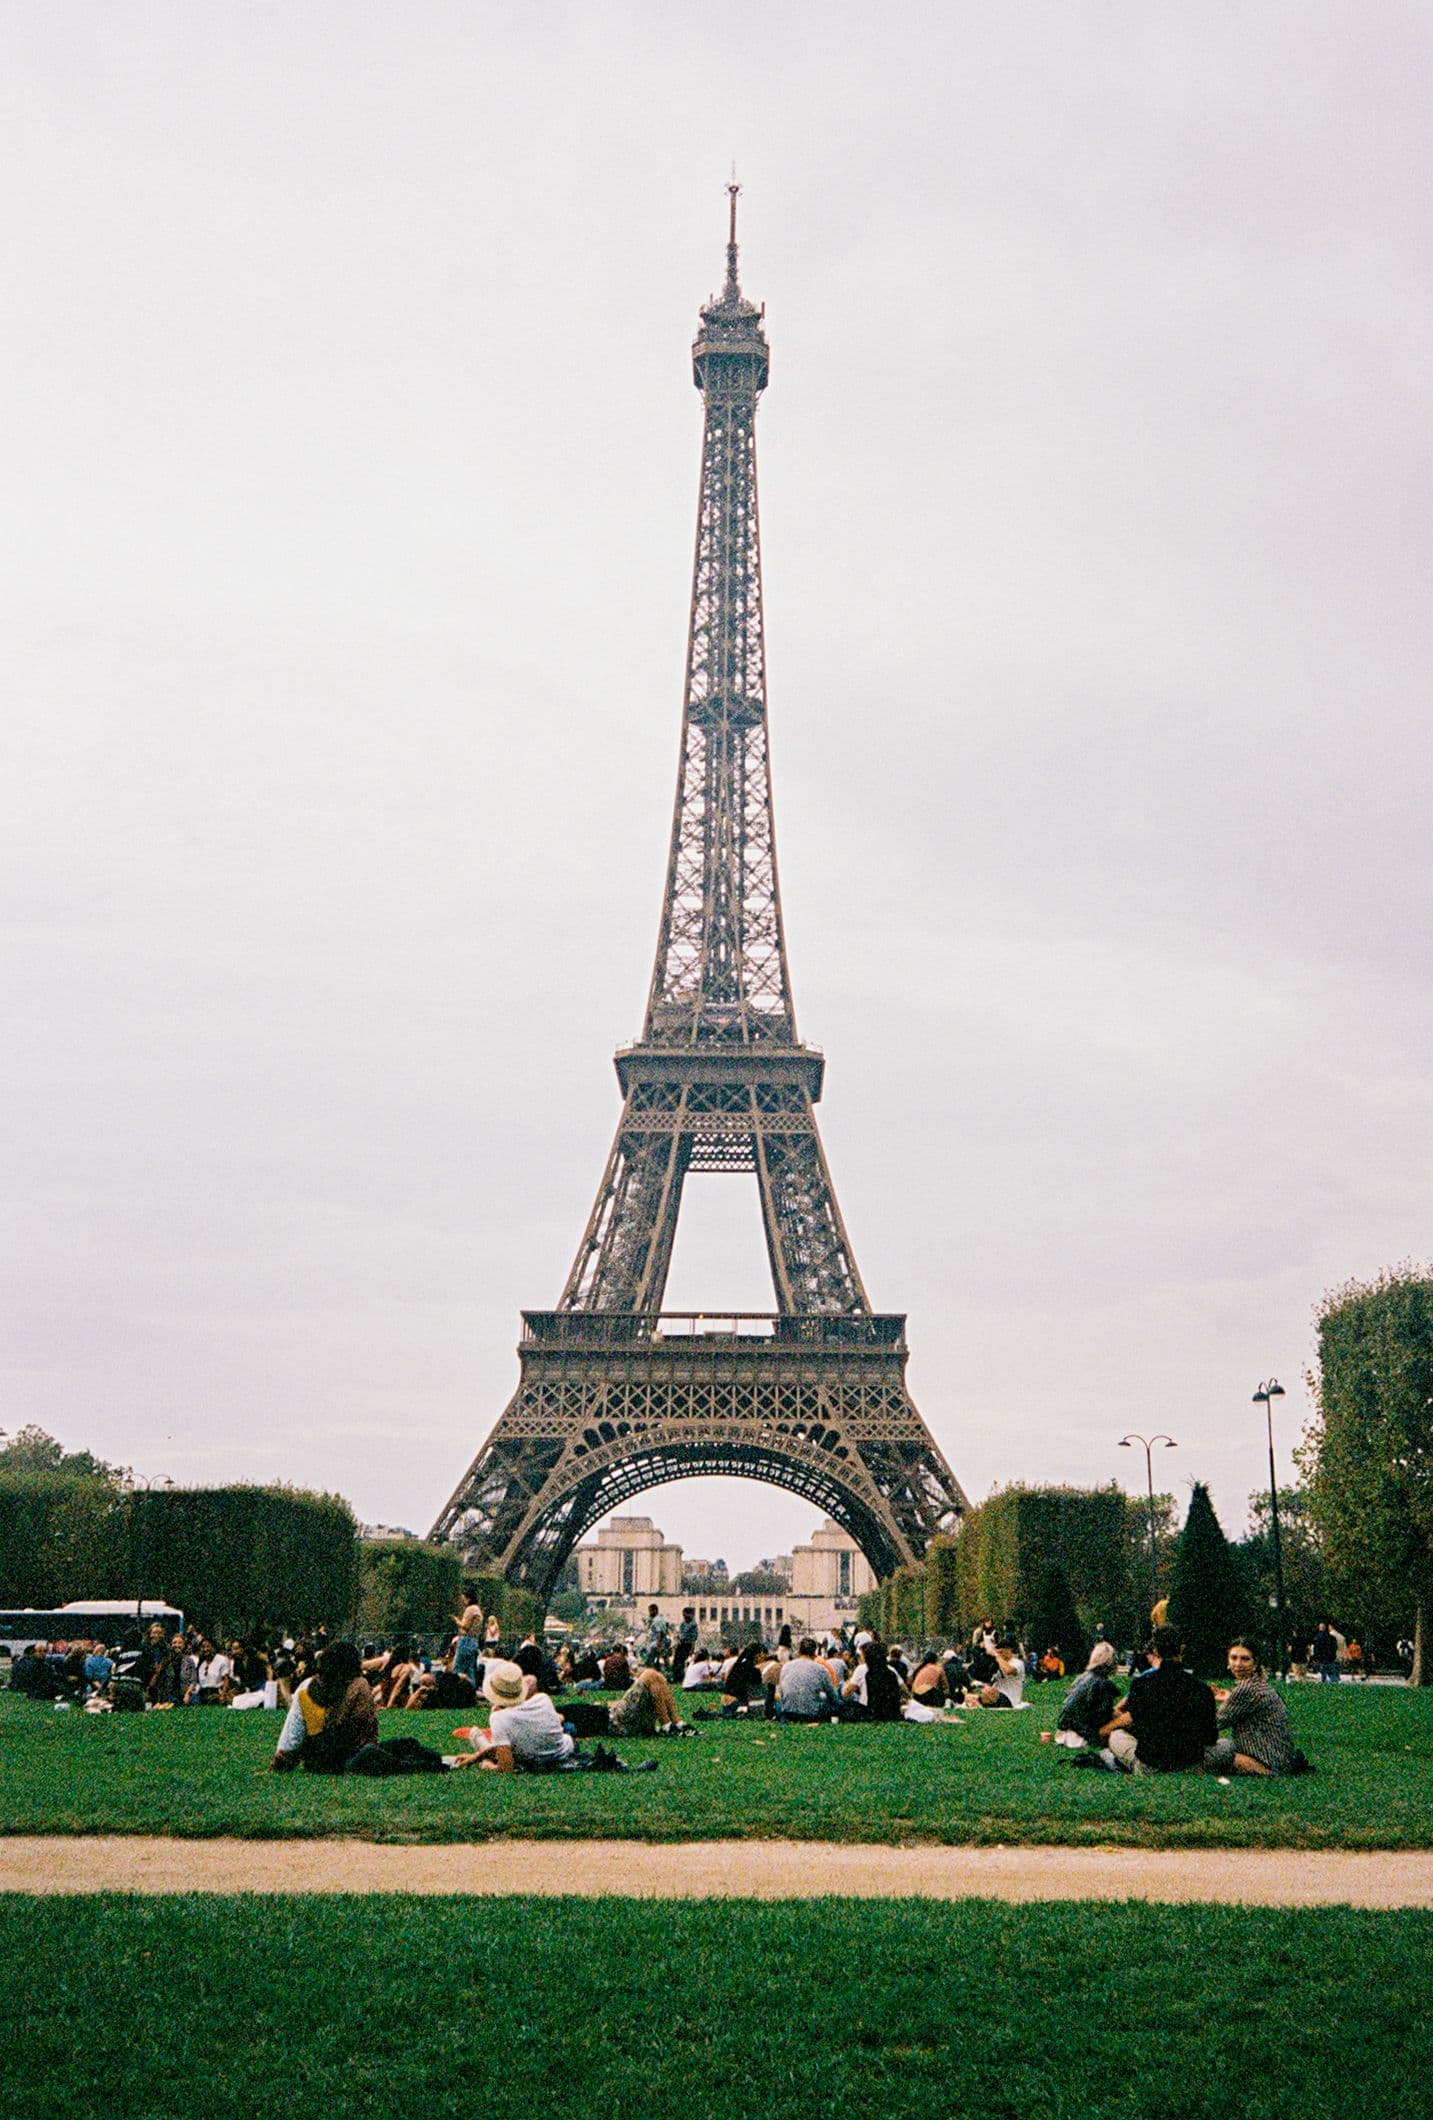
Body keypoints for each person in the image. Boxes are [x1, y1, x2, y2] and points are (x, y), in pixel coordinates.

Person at [271, 1642, 446, 1776]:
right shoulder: (307, 1692)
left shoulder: (355, 1689)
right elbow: (289, 1749)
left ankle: (431, 1760)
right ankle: (423, 1766)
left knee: (407, 1743)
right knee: (370, 1755)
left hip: (355, 1754)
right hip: (334, 1763)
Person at [1106, 1626, 1217, 1775]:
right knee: (1226, 1746)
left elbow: (1137, 1726)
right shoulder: (1201, 1689)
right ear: (1182, 1649)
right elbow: (1210, 1736)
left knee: (1116, 1736)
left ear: (1156, 1651)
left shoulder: (1141, 1684)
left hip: (1149, 1764)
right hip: (1190, 1764)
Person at [459, 1659, 577, 1771]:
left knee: (475, 1734)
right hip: (562, 1752)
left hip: (529, 1761)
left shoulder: (499, 1718)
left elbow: (505, 1767)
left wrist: (487, 1766)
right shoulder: (543, 1699)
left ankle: (484, 1755)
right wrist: (475, 1757)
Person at [1206, 1640, 1299, 1776]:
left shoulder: (1246, 1689)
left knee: (1204, 1753)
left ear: (1255, 1663)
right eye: (1234, 1658)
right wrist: (1229, 1698)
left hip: (1265, 1765)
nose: (1238, 1664)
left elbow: (1213, 1724)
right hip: (1280, 1761)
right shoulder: (1258, 1684)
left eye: (1245, 1659)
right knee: (1222, 1745)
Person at [1055, 1641, 1122, 1762]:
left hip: (1064, 1733)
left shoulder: (1082, 1677)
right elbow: (1102, 1718)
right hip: (1080, 1737)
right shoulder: (1103, 1684)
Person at [775, 1639, 840, 1722]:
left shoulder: (786, 1667)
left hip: (788, 1714)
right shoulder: (820, 1669)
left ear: (798, 1651)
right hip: (811, 1715)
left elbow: (780, 1693)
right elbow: (832, 1696)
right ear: (815, 1653)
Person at [842, 1639, 903, 1722]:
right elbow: (903, 1690)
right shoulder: (891, 1672)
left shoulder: (865, 1672)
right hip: (891, 1712)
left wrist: (849, 1681)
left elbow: (846, 1693)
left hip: (873, 1712)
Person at [451, 1602, 485, 1688]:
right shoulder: (478, 1610)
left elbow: (465, 1626)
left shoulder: (470, 1609)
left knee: (458, 1668)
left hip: (466, 1640)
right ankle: (471, 1691)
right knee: (469, 1670)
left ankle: (453, 1690)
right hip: (474, 1641)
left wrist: (456, 1620)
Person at [672, 1608, 699, 1685]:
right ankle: (676, 1677)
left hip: (688, 1645)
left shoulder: (693, 1624)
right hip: (681, 1644)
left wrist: (692, 1649)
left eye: (685, 1614)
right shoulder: (683, 1624)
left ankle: (682, 1677)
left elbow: (693, 1638)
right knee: (676, 1661)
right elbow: (681, 1634)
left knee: (683, 1661)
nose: (684, 1616)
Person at [640, 1605, 671, 1669]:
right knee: (664, 1658)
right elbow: (648, 1620)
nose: (649, 1613)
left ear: (655, 1610)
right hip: (658, 1642)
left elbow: (660, 1633)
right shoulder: (656, 1619)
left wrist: (658, 1645)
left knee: (650, 1660)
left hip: (657, 1643)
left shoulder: (657, 1621)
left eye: (651, 1611)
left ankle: (651, 1670)